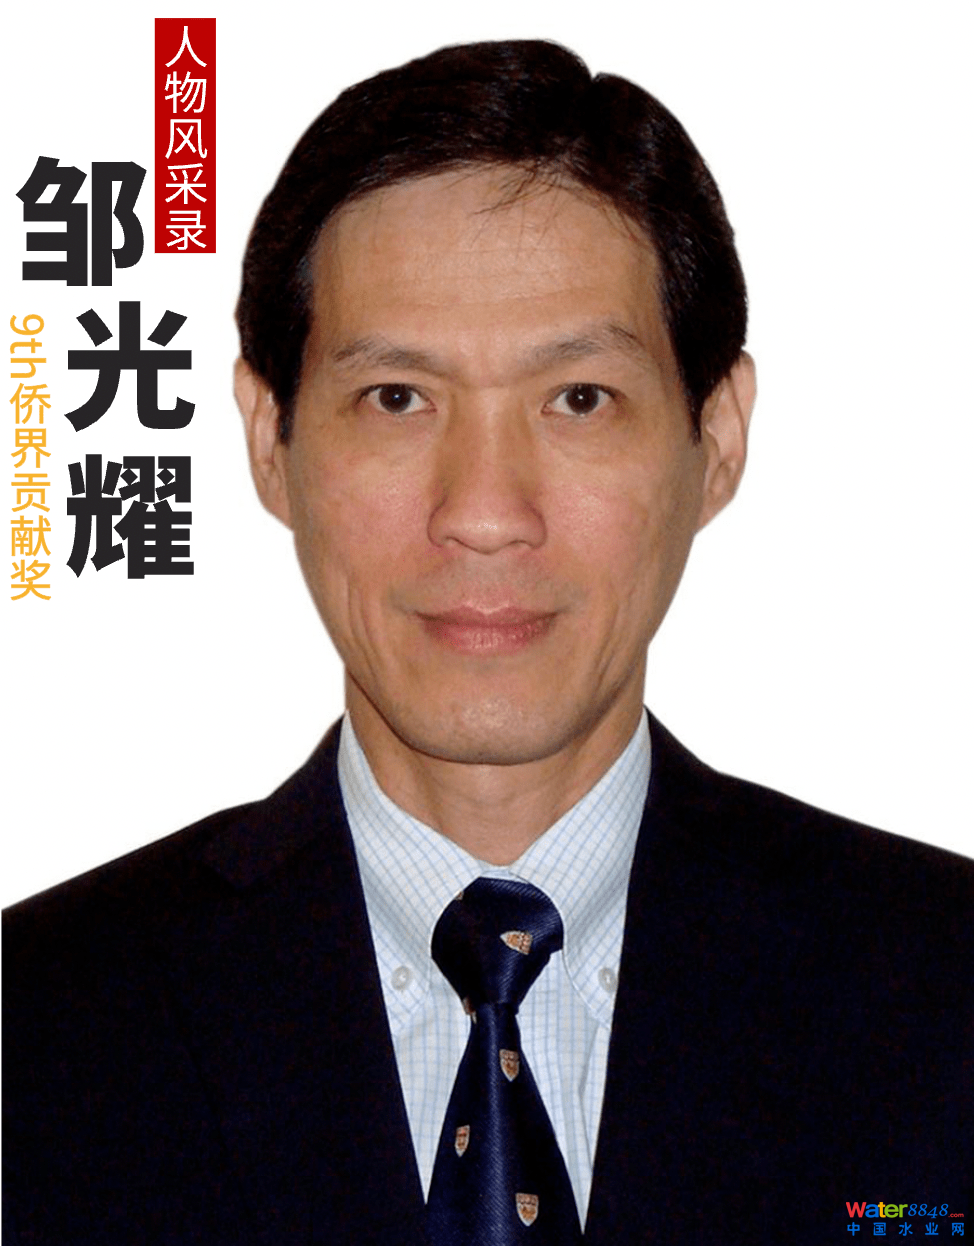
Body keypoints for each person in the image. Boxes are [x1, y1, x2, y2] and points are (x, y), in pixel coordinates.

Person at [4, 39, 972, 1245]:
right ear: (269, 440)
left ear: (716, 437)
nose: (482, 512)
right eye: (396, 398)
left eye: (578, 399)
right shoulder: (36, 1026)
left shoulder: (944, 990)